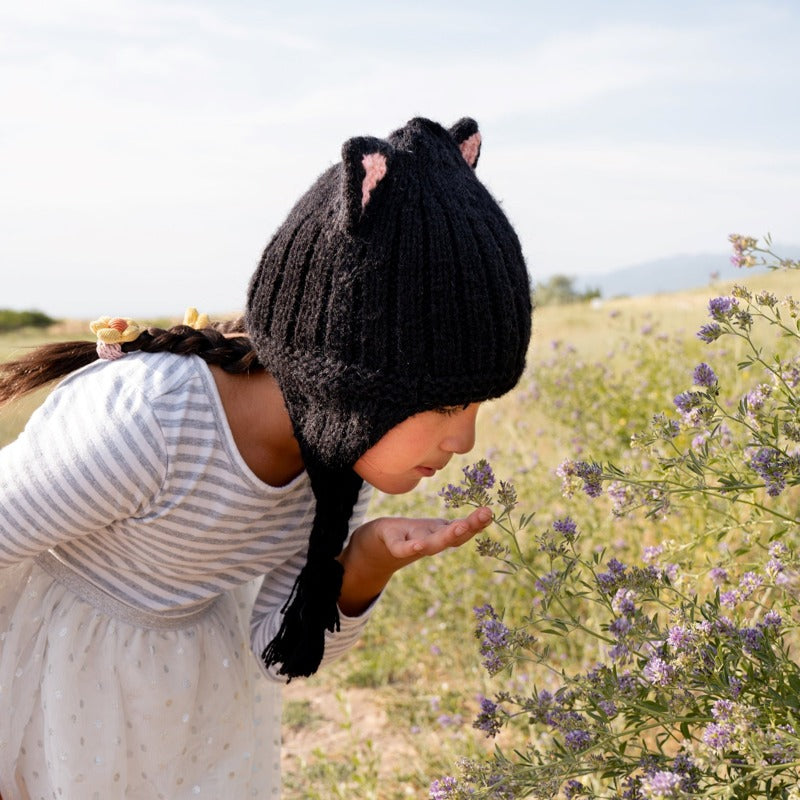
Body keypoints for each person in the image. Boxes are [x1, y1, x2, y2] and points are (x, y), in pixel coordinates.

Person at [0, 116, 532, 799]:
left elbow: (278, 654)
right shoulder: (151, 422)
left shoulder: (335, 465)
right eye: (449, 406)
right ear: (348, 372)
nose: (465, 443)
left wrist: (363, 565)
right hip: (53, 684)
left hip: (187, 704)